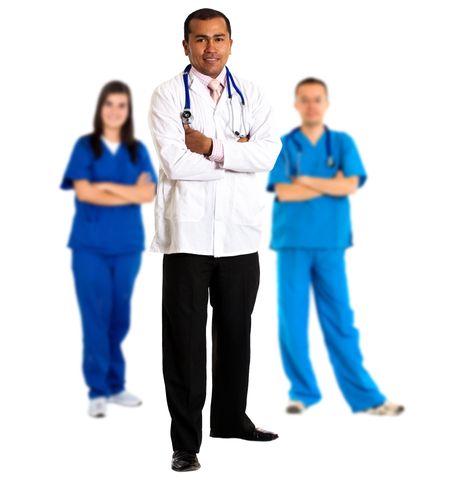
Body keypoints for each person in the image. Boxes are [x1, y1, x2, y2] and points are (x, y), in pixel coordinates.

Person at [148, 8, 282, 472]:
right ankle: (185, 443)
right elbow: (175, 164)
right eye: (200, 39)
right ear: (185, 44)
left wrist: (212, 147)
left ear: (231, 43)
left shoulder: (254, 95)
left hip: (240, 236)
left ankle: (230, 419)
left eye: (218, 38)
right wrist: (235, 158)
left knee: (236, 333)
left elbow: (268, 154)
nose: (210, 47)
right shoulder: (168, 96)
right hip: (188, 235)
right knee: (184, 341)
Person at [267, 78, 404, 417]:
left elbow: (350, 185)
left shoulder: (342, 142)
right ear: (296, 104)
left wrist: (308, 181)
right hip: (293, 244)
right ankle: (302, 392)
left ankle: (367, 398)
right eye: (305, 100)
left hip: (330, 244)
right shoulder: (284, 144)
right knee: (292, 322)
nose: (311, 105)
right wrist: (331, 184)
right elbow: (284, 192)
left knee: (341, 321)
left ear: (326, 103)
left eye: (317, 99)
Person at [61, 81, 157, 418]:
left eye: (121, 105)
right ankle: (99, 389)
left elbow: (148, 195)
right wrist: (126, 190)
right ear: (100, 108)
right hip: (89, 247)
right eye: (109, 104)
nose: (115, 111)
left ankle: (116, 384)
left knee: (120, 316)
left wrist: (105, 185)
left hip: (127, 246)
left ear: (128, 112)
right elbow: (85, 193)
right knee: (95, 317)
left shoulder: (137, 150)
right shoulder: (85, 147)